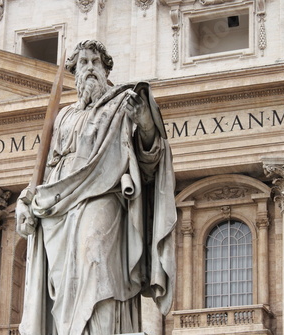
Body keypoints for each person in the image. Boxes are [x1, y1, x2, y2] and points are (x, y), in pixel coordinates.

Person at [16, 40, 176, 335]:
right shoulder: (63, 116)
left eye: (95, 63)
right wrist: (27, 200)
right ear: (74, 73)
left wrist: (144, 123)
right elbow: (47, 168)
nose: (89, 69)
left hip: (102, 195)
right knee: (65, 278)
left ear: (106, 69)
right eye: (83, 64)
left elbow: (149, 159)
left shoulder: (121, 105)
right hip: (59, 206)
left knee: (96, 258)